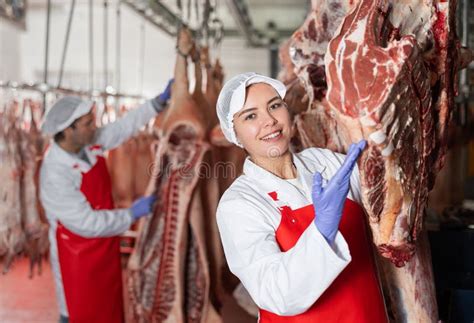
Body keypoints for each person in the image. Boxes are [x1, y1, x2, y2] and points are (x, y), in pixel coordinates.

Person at [215, 73, 388, 322]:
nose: (270, 121)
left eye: (274, 105)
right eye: (250, 116)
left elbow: (390, 202)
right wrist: (321, 232)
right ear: (234, 133)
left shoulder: (325, 162)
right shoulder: (239, 204)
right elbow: (277, 294)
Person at [39, 79, 173, 323]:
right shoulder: (55, 173)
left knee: (109, 312)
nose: (95, 126)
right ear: (68, 130)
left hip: (105, 249)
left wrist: (157, 103)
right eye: (88, 123)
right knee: (79, 316)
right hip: (77, 259)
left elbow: (123, 127)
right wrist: (131, 214)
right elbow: (88, 223)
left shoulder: (89, 143)